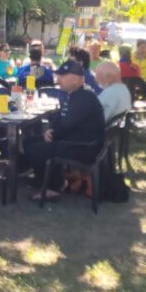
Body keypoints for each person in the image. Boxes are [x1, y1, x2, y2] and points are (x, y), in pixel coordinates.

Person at [23, 59, 106, 200]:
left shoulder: (84, 97)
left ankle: (54, 187)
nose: (58, 79)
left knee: (36, 148)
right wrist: (50, 131)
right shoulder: (76, 95)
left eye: (62, 76)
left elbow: (67, 124)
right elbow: (62, 119)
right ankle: (43, 180)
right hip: (76, 141)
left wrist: (52, 134)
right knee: (29, 141)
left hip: (83, 147)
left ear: (74, 79)